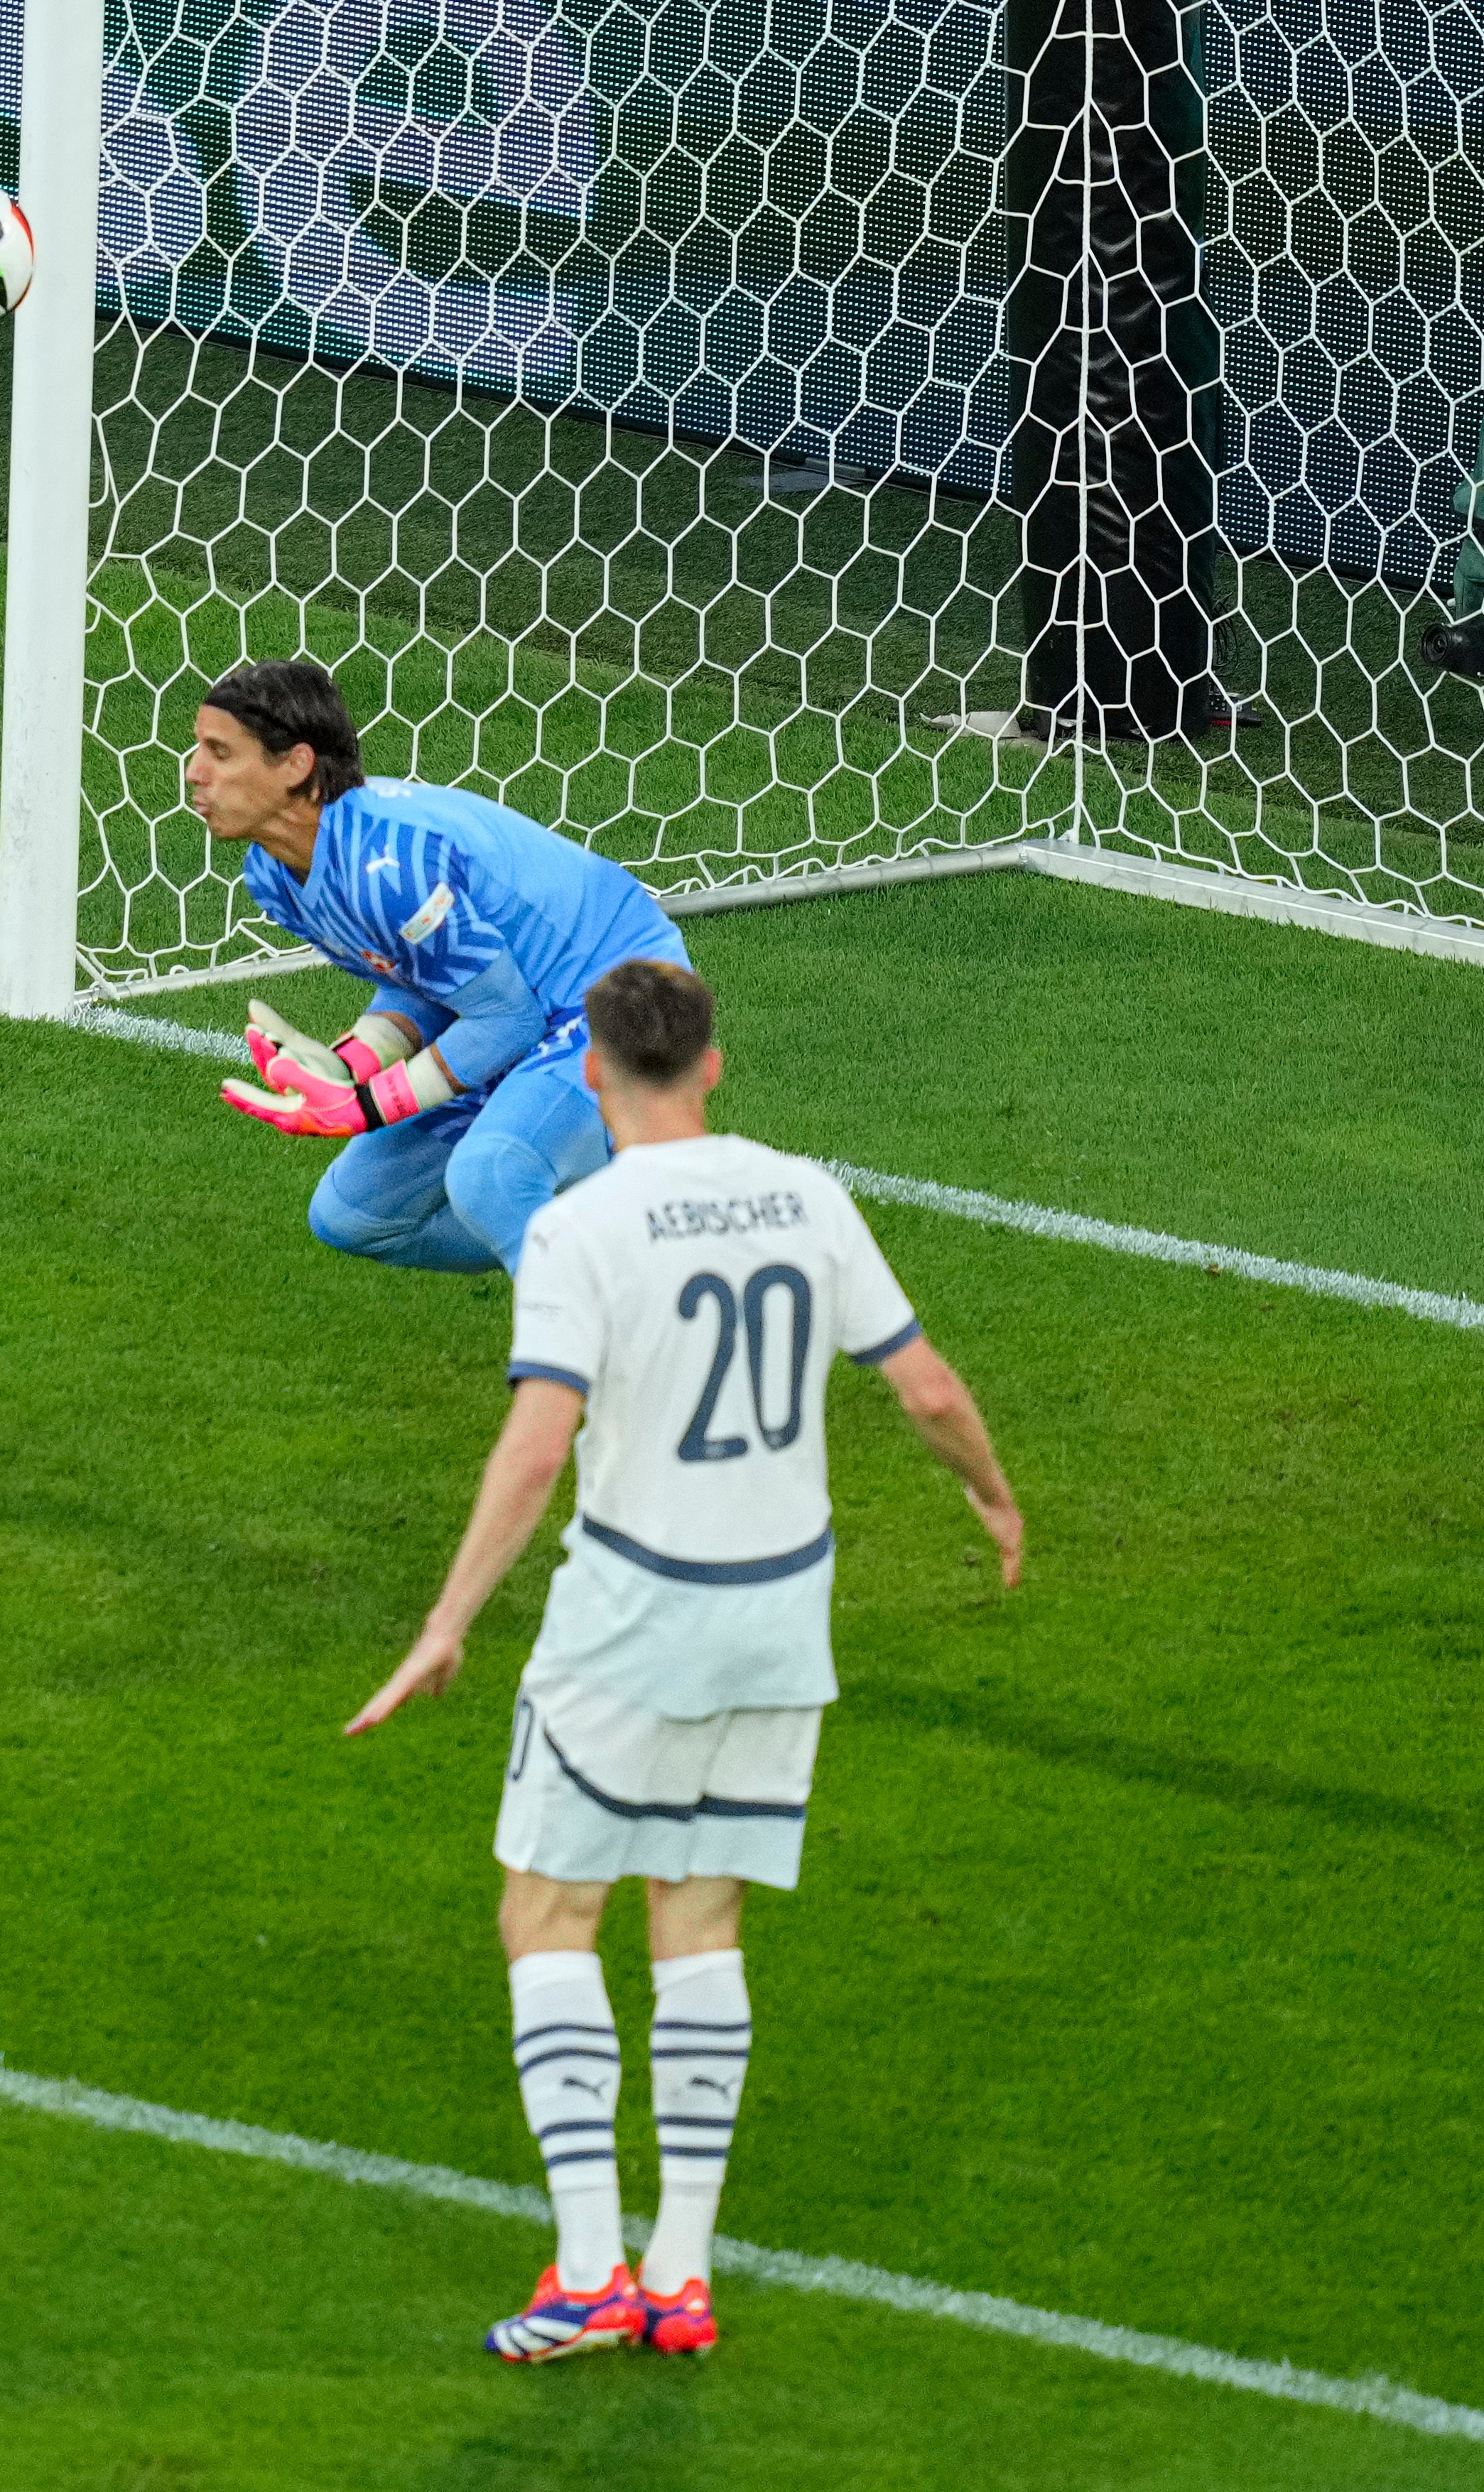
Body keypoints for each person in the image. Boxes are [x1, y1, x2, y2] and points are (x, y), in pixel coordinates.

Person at [345, 959, 1021, 2362]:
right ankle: (683, 2271)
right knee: (701, 1926)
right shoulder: (806, 1193)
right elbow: (929, 1384)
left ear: (589, 1073)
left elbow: (538, 1445)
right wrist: (994, 1496)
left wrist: (447, 1618)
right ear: (713, 1066)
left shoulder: (583, 1227)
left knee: (549, 1917)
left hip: (634, 1617)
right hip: (782, 1614)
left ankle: (592, 2268)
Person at [185, 658, 693, 1274]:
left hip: (619, 994)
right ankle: (606, 1235)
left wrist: (369, 1106)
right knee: (351, 1216)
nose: (195, 773)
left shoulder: (390, 865)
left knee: (489, 1179)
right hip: (517, 1007)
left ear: (295, 764)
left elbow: (506, 1020)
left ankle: (610, 1331)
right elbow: (428, 983)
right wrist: (353, 1060)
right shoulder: (274, 876)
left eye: (219, 752)